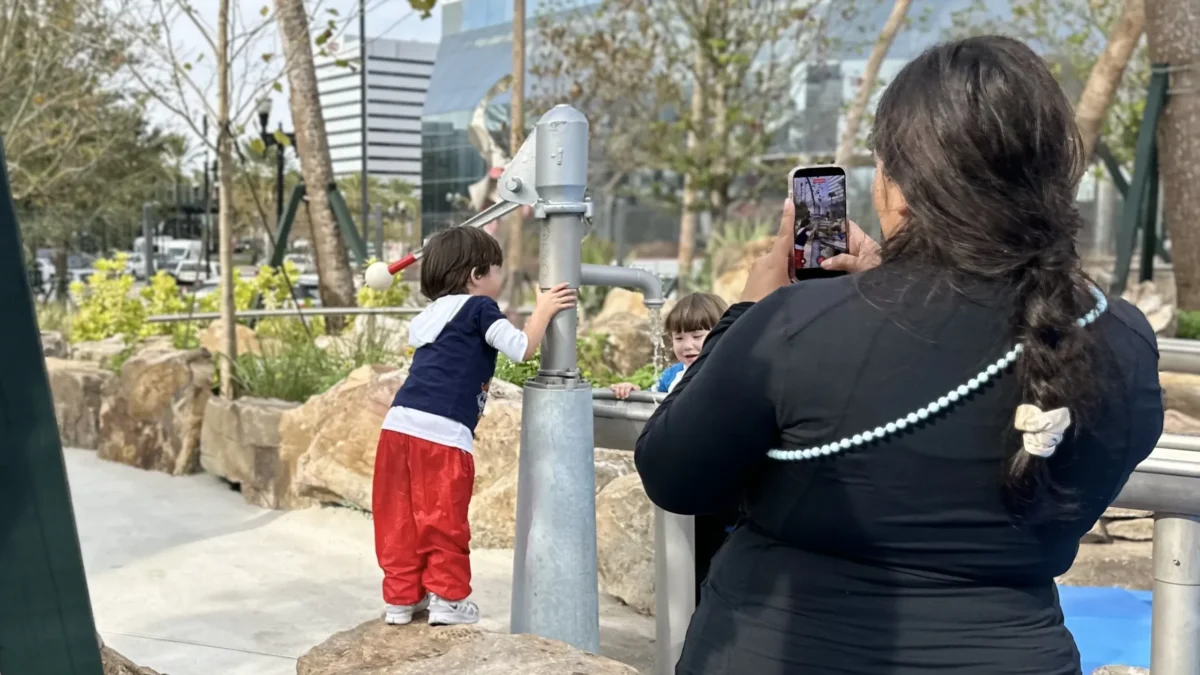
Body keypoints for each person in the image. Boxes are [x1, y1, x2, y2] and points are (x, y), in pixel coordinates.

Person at [635, 36, 1163, 675]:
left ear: (902, 185)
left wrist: (748, 313)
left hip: (789, 649)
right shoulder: (1120, 338)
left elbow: (673, 471)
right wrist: (889, 283)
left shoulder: (796, 327)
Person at [372, 225, 575, 627]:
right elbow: (520, 349)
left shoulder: (429, 315)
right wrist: (544, 310)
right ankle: (447, 600)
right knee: (442, 518)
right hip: (443, 435)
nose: (499, 279)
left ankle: (401, 598)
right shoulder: (480, 309)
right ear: (476, 275)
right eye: (496, 270)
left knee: (398, 517)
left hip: (397, 428)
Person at [609, 292, 728, 399]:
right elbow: (652, 400)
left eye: (696, 337)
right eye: (679, 338)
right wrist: (634, 391)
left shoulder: (728, 373)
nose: (687, 346)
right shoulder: (672, 375)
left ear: (721, 334)